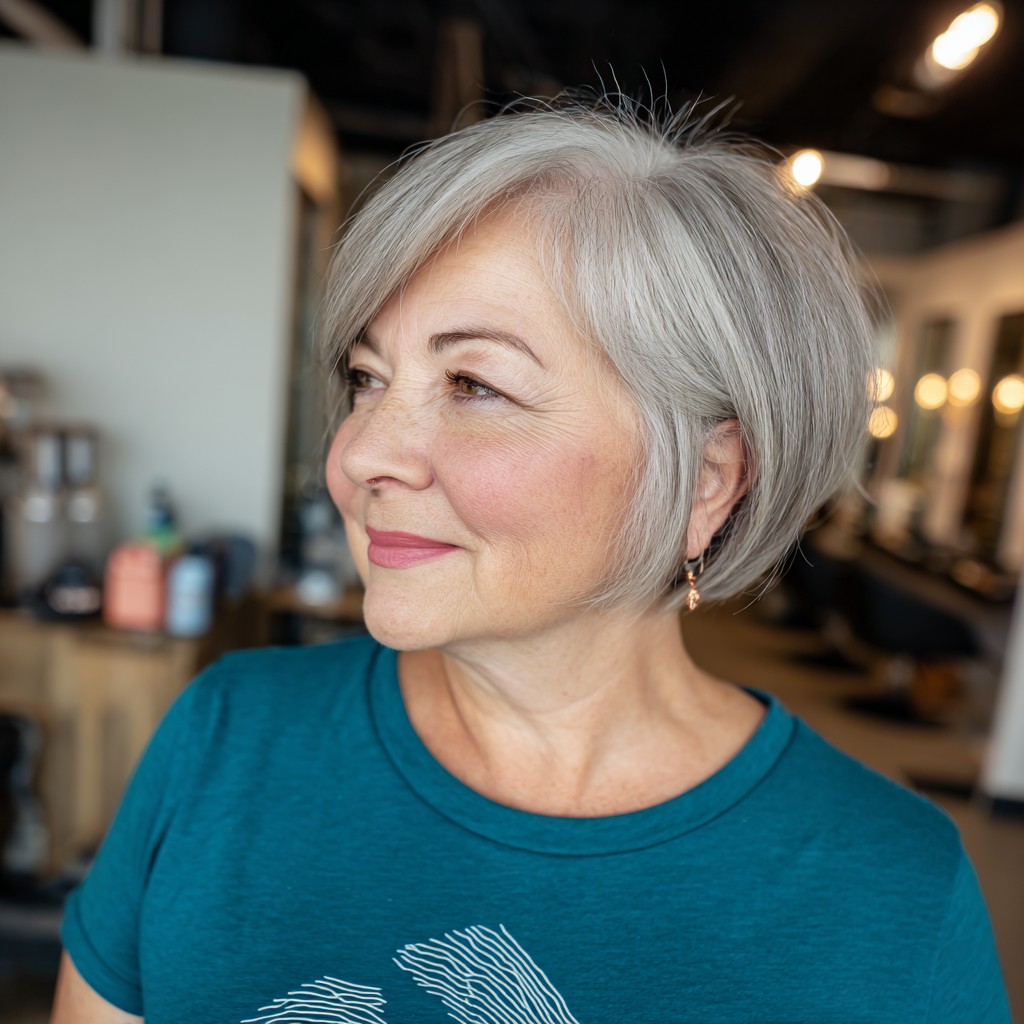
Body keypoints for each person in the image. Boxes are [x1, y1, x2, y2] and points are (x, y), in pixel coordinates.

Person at [53, 94, 1011, 1023]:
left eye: (473, 384)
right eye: (367, 378)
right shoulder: (227, 740)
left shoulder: (891, 894)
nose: (358, 456)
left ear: (706, 479)